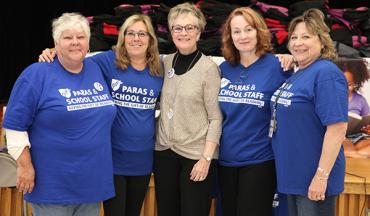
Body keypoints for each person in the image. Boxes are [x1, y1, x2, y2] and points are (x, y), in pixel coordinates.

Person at [38, 14, 163, 216]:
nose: (136, 38)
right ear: (123, 37)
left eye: (142, 33)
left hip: (142, 160)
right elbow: (75, 55)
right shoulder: (107, 61)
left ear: (150, 39)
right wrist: (52, 51)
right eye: (130, 33)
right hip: (111, 159)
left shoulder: (159, 69)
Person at [3, 12, 117, 216]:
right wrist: (25, 166)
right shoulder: (36, 74)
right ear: (56, 42)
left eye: (80, 37)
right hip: (51, 186)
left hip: (91, 184)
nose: (75, 42)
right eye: (67, 37)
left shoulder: (97, 67)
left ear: (89, 42)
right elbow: (14, 126)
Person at [270, 9, 348, 216]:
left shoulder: (326, 73)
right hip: (293, 177)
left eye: (306, 37)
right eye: (294, 37)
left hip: (313, 180)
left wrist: (321, 177)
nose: (298, 43)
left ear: (322, 42)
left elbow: (337, 128)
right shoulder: (300, 73)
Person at [217, 7, 292, 216]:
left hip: (259, 161)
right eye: (237, 31)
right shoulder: (224, 68)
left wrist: (291, 58)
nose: (243, 36)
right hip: (225, 161)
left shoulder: (278, 67)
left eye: (248, 29)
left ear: (259, 31)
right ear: (229, 36)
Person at [153, 3, 222, 216]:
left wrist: (206, 159)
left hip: (195, 157)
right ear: (171, 32)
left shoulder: (208, 68)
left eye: (190, 28)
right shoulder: (165, 62)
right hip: (164, 152)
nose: (184, 33)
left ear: (199, 32)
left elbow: (215, 118)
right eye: (178, 28)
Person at [337, 58, 370, 158]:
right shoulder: (327, 98)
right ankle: (355, 154)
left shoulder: (360, 100)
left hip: (357, 135)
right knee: (346, 144)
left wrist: (367, 127)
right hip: (337, 135)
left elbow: (366, 119)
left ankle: (354, 154)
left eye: (350, 84)